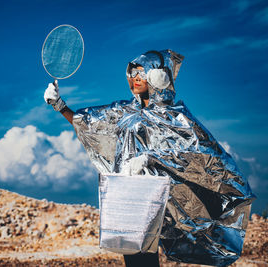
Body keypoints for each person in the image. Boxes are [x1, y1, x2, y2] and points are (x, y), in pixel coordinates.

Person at [44, 50, 255, 267]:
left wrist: (150, 159)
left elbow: (200, 152)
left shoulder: (174, 116)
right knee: (133, 252)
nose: (135, 78)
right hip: (128, 194)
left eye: (142, 73)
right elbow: (88, 124)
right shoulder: (123, 112)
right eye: (132, 72)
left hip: (158, 197)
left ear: (159, 77)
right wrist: (59, 105)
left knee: (143, 255)